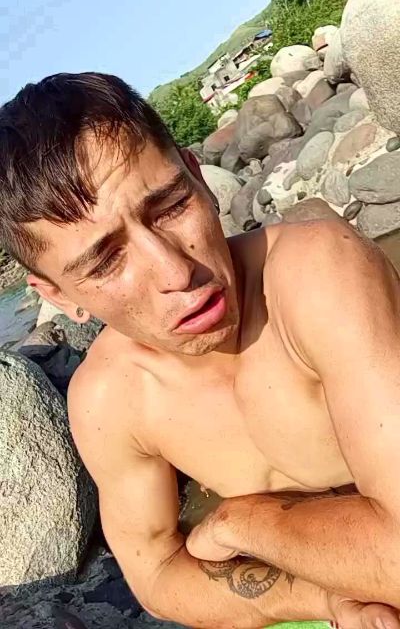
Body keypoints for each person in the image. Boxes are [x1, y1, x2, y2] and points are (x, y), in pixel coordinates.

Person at [1, 72, 400, 629]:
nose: (175, 272)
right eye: (106, 261)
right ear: (59, 296)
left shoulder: (316, 274)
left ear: (200, 178)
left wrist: (244, 522)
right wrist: (326, 598)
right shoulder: (112, 400)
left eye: (169, 206)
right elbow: (155, 576)